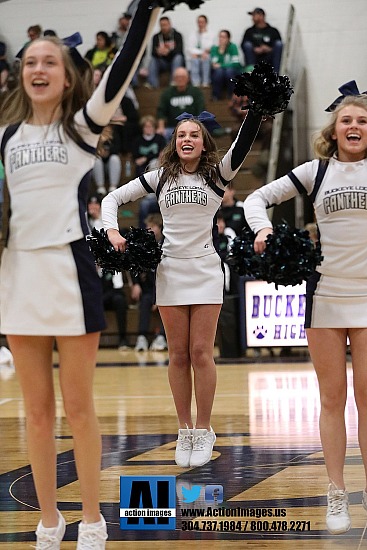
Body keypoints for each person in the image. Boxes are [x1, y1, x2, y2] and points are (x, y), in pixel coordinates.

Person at [0, 1, 162, 547]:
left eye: (50, 61)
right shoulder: (5, 137)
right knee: (37, 413)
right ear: (21, 73)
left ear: (67, 75)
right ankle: (50, 519)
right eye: (30, 62)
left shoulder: (80, 128)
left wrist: (149, 9)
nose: (39, 69)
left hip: (70, 272)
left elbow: (120, 70)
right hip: (19, 273)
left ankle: (91, 516)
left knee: (80, 406)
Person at [101, 105, 263, 468]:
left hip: (205, 269)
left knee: (202, 353)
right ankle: (184, 429)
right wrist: (111, 229)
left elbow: (243, 142)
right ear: (173, 143)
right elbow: (111, 199)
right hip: (170, 270)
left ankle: (204, 429)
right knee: (178, 355)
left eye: (193, 135)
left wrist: (256, 111)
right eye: (181, 135)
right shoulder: (159, 178)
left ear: (204, 144)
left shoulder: (217, 176)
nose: (187, 139)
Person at [243, 91, 367, 535]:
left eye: (362, 121)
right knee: (332, 399)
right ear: (333, 130)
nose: (353, 126)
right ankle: (336, 493)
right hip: (325, 297)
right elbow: (255, 199)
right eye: (346, 121)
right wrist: (262, 230)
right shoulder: (315, 171)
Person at [88, 197, 130, 350]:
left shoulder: (108, 228)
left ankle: (123, 339)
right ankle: (90, 342)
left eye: (95, 204)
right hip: (95, 286)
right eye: (90, 205)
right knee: (89, 299)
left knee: (119, 299)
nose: (93, 207)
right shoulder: (87, 225)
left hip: (110, 286)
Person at [131, 213, 167, 352]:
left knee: (167, 302)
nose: (148, 229)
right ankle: (141, 337)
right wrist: (136, 284)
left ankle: (162, 337)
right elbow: (135, 266)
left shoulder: (167, 245)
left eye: (151, 226)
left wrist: (157, 298)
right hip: (148, 290)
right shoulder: (144, 245)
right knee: (146, 301)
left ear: (159, 227)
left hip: (165, 289)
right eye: (147, 226)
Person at [156, 67, 205, 142]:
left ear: (188, 79)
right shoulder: (167, 93)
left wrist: (196, 126)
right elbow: (161, 111)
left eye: (182, 77)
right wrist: (161, 127)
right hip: (173, 127)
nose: (180, 79)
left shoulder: (195, 92)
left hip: (192, 126)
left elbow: (201, 110)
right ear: (174, 79)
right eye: (177, 77)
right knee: (162, 135)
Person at [241, 7, 283, 73]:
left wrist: (269, 49)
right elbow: (243, 45)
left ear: (261, 16)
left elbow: (279, 45)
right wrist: (255, 49)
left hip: (269, 57)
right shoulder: (249, 31)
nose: (252, 18)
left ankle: (276, 74)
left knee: (279, 44)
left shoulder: (273, 31)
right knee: (247, 45)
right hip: (255, 57)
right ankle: (251, 72)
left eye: (254, 15)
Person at [147, 16, 184, 89]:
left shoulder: (177, 35)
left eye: (165, 25)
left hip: (174, 61)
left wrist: (168, 51)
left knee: (178, 58)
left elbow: (179, 50)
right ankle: (153, 85)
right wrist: (159, 52)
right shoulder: (156, 37)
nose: (163, 27)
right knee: (153, 60)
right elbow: (153, 52)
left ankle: (174, 83)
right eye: (161, 25)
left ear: (170, 24)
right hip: (162, 61)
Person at [210, 30, 242, 101]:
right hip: (220, 72)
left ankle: (232, 95)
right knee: (219, 72)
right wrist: (221, 51)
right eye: (220, 37)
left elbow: (235, 63)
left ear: (228, 38)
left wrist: (221, 65)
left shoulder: (233, 47)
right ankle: (216, 96)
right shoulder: (214, 48)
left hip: (233, 71)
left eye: (224, 37)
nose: (221, 39)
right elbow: (214, 64)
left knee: (229, 71)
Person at [187, 14, 214, 88]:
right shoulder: (193, 34)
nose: (200, 24)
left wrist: (203, 53)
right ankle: (195, 83)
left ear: (206, 23)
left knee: (206, 58)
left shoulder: (211, 33)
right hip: (196, 55)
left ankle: (206, 82)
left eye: (202, 22)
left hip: (206, 55)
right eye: (199, 22)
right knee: (194, 59)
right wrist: (200, 53)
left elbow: (209, 47)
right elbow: (190, 47)